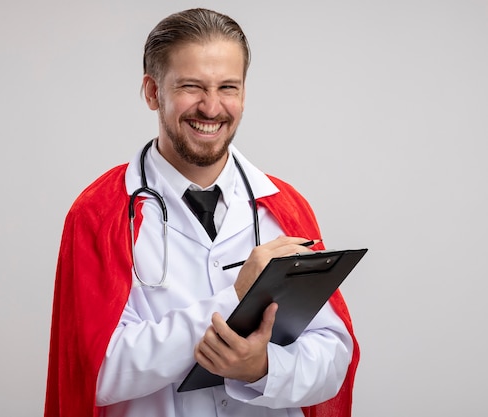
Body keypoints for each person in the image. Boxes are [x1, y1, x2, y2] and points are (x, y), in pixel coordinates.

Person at [45, 8, 359, 417]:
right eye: (191, 86)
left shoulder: (284, 206)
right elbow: (96, 372)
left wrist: (261, 369)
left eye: (228, 87)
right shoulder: (99, 214)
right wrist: (236, 298)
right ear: (153, 92)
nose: (211, 108)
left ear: (244, 93)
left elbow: (334, 354)